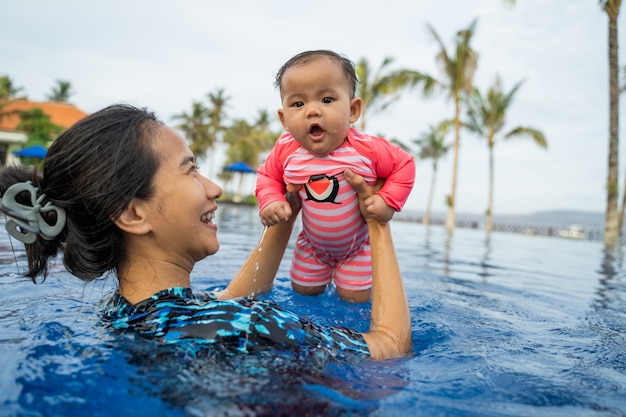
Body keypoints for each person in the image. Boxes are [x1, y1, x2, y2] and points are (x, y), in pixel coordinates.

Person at [0, 104, 411, 360]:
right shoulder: (247, 327)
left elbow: (228, 301)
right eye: (190, 170)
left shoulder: (123, 311)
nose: (213, 188)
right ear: (133, 214)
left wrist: (287, 210)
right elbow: (391, 346)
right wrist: (377, 219)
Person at [256, 50, 416, 303]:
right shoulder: (286, 149)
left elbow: (404, 164)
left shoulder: (366, 148)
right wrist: (271, 201)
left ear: (353, 110)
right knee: (303, 292)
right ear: (283, 118)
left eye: (327, 99)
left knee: (355, 298)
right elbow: (267, 177)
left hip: (357, 250)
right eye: (298, 104)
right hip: (311, 247)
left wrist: (387, 201)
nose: (312, 111)